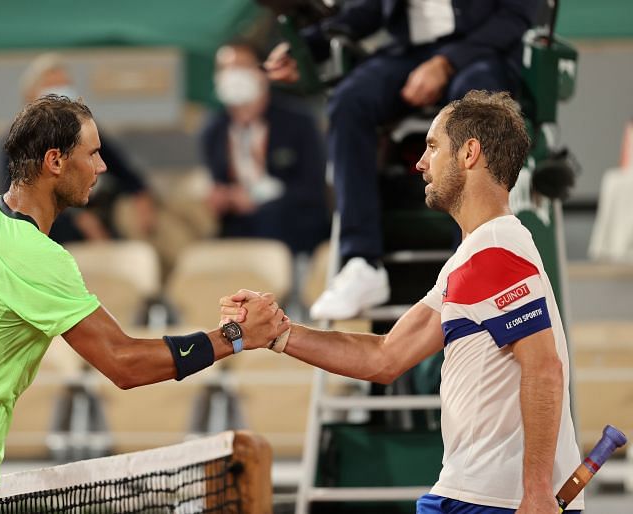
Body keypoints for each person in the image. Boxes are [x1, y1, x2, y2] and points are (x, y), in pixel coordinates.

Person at [0, 96, 288, 492]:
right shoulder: (37, 255)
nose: (101, 167)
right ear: (55, 161)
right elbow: (123, 364)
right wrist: (233, 337)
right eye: (93, 153)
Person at [221, 91, 583, 513]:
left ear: (469, 153)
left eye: (432, 146)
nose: (420, 163)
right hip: (472, 493)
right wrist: (280, 334)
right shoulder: (471, 258)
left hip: (497, 501)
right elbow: (385, 357)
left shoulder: (496, 250)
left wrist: (538, 492)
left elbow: (545, 369)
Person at [264, 0, 539, 318]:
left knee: (472, 112)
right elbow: (367, 10)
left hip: (483, 52)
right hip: (409, 52)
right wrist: (305, 48)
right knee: (348, 102)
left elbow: (515, 17)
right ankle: (361, 262)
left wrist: (445, 63)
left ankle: (470, 261)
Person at [201, 42, 329, 255]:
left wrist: (256, 197)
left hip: (291, 226)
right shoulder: (213, 130)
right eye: (225, 68)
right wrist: (222, 197)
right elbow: (218, 183)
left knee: (272, 219)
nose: (233, 74)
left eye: (241, 65)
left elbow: (312, 188)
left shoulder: (298, 121)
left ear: (262, 72)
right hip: (239, 230)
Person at [14, 52, 156, 243]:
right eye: (52, 87)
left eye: (64, 85)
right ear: (32, 96)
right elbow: (19, 199)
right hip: (54, 227)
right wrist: (77, 219)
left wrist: (140, 196)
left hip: (97, 214)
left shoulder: (84, 132)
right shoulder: (21, 141)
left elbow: (124, 171)